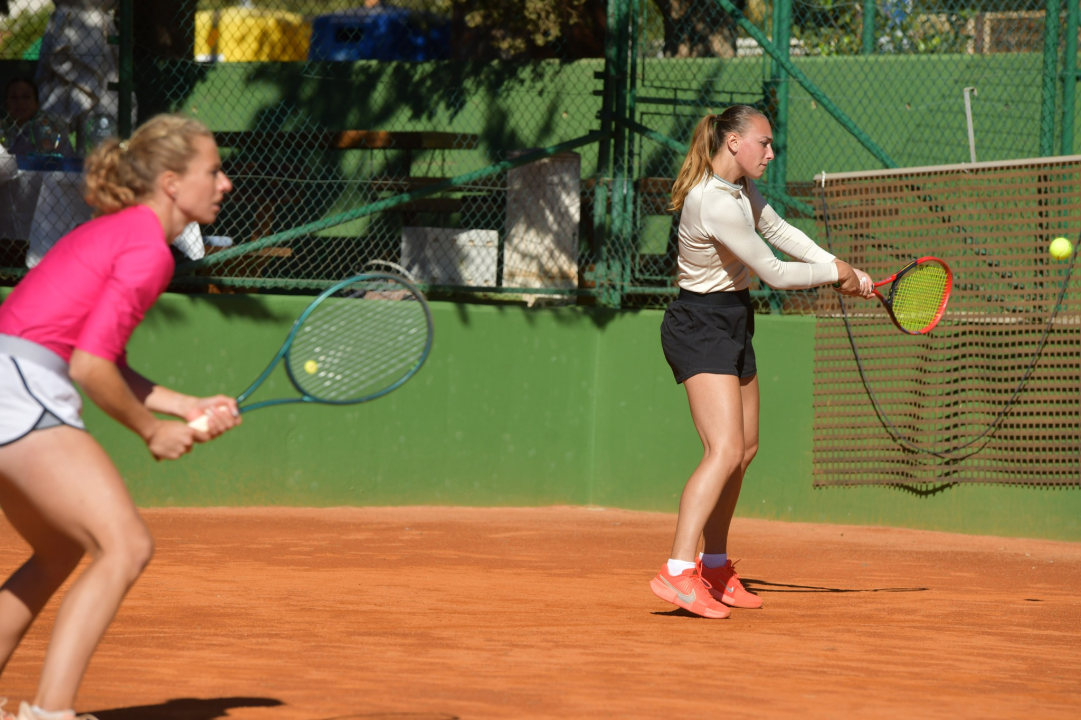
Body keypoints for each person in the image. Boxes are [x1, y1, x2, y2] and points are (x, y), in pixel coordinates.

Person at [0, 114, 240, 720]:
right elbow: (89, 368)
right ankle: (51, 712)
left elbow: (107, 360)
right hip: (23, 387)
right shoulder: (146, 250)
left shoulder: (118, 233)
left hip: (13, 377)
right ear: (169, 182)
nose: (226, 183)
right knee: (125, 545)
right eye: (212, 171)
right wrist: (151, 431)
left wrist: (184, 405)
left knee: (57, 550)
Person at [650, 105, 873, 619]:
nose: (771, 153)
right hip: (700, 325)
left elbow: (781, 232)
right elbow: (773, 271)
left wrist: (843, 268)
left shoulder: (741, 191)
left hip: (733, 319)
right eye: (764, 144)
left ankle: (715, 564)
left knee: (745, 449)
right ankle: (678, 572)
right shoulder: (713, 201)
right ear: (733, 143)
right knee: (723, 449)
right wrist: (830, 272)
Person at [1, 78, 74, 158]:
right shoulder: (4, 130)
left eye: (26, 97)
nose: (20, 102)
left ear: (37, 104)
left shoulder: (48, 129)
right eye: (14, 97)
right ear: (6, 105)